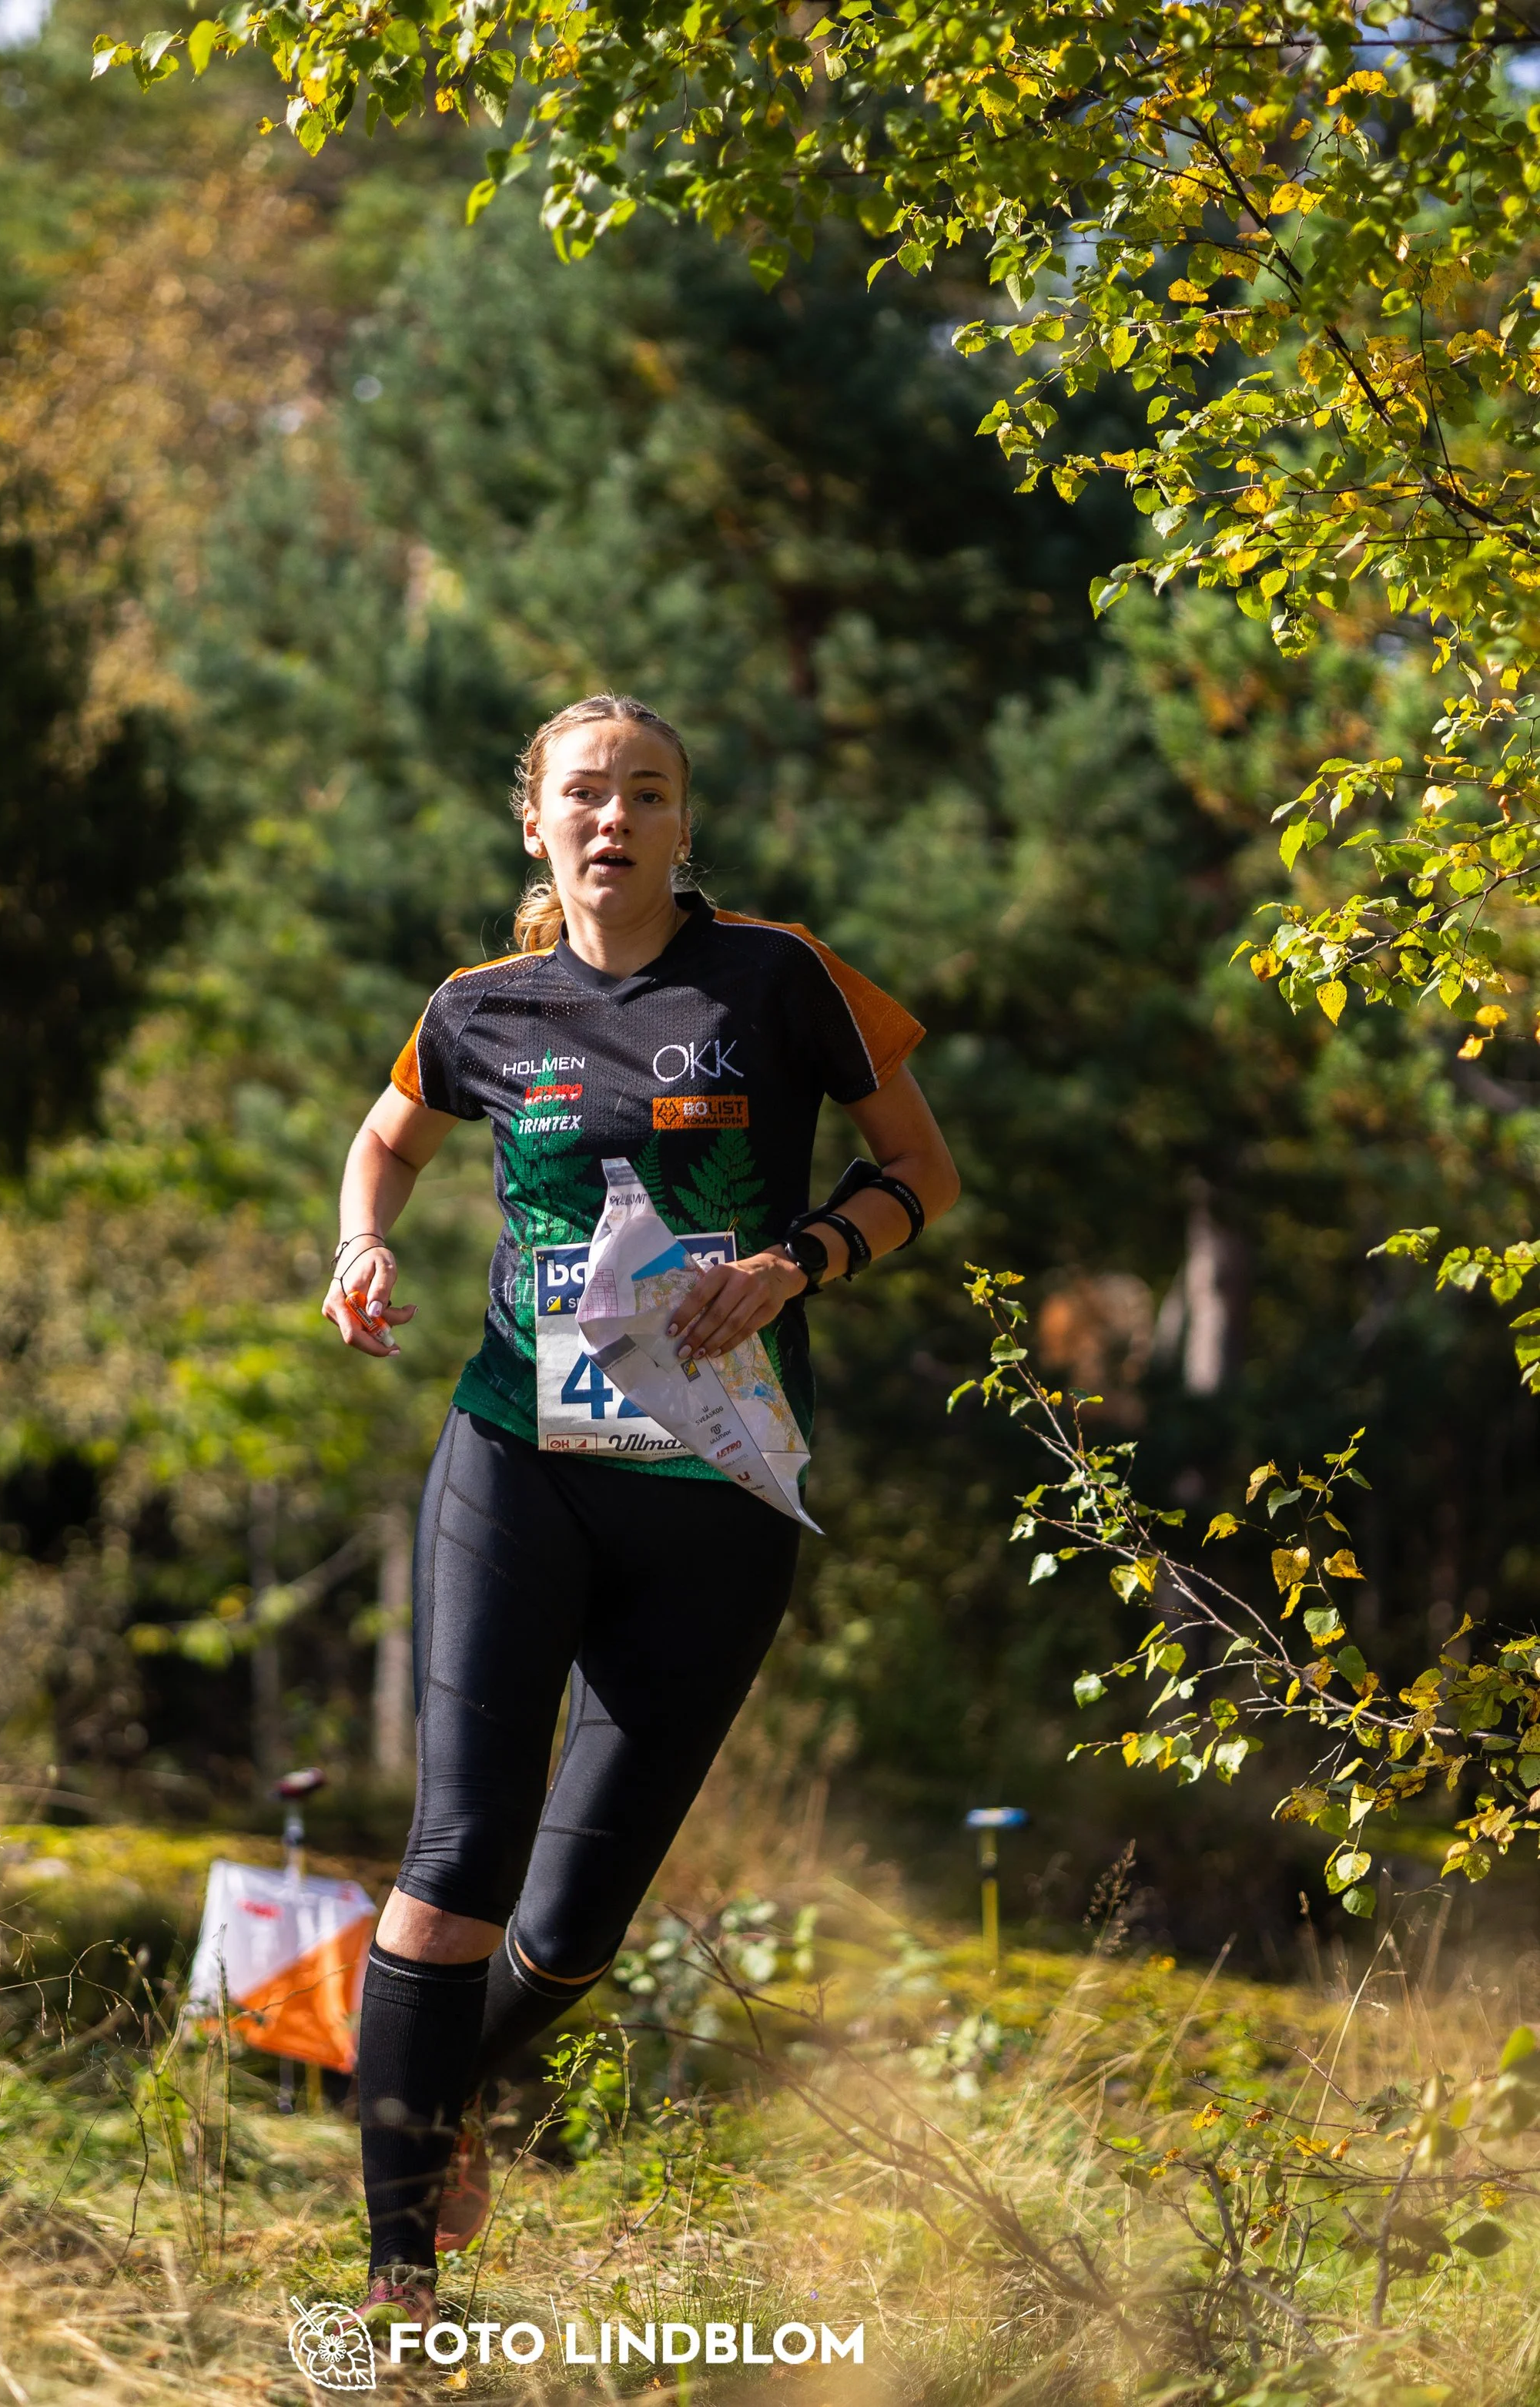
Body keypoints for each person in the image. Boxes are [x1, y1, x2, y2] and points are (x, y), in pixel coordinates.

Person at [322, 693, 959, 2325]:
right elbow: (387, 1134)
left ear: (685, 824)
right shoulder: (479, 1006)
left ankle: (436, 2095)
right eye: (583, 794)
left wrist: (788, 1262)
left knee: (573, 1922)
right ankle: (397, 2293)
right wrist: (360, 1240)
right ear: (532, 824)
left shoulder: (776, 978)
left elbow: (919, 1171)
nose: (613, 819)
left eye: (647, 793)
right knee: (457, 1849)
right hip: (514, 1463)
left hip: (720, 1487)